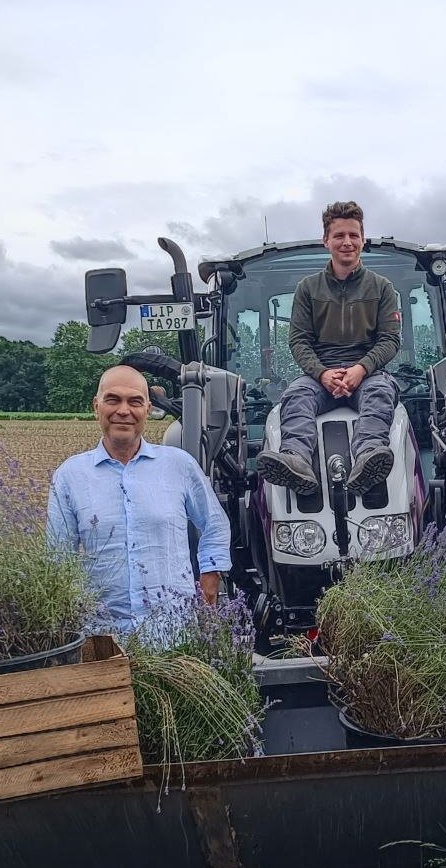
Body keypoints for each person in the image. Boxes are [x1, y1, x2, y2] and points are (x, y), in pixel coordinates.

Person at [47, 363, 231, 633]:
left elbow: (215, 524)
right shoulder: (70, 476)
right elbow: (58, 558)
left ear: (147, 409)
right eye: (113, 400)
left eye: (135, 401)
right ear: (96, 406)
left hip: (173, 634)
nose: (124, 410)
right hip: (103, 637)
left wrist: (209, 582)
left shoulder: (179, 465)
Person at [257, 200, 402, 494]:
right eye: (339, 236)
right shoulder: (308, 289)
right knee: (296, 395)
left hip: (368, 373)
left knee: (380, 393)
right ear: (326, 241)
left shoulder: (382, 287)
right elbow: (299, 340)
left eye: (353, 235)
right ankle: (296, 460)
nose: (347, 242)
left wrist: (361, 369)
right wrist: (323, 374)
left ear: (362, 239)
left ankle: (368, 456)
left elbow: (389, 339)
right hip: (320, 375)